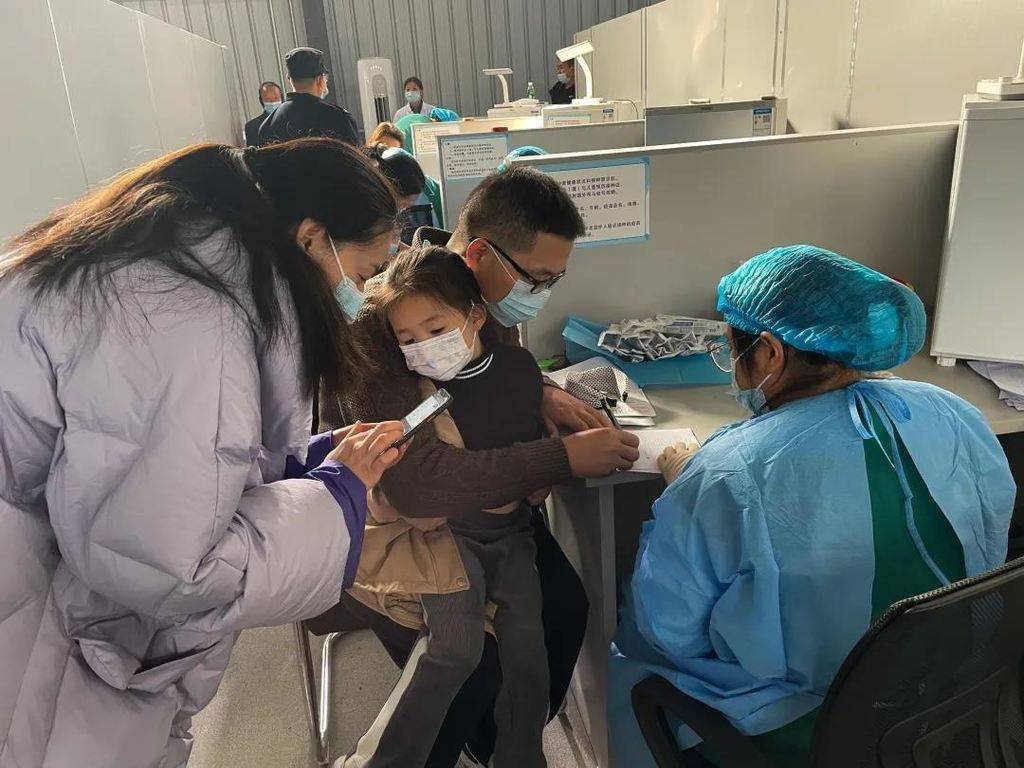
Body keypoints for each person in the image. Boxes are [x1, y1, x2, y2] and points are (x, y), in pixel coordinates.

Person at [0, 137, 408, 768]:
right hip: (35, 643)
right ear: (311, 239)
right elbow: (163, 564)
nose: (358, 295)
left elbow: (143, 468)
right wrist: (334, 496)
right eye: (359, 274)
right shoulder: (190, 320)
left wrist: (296, 465)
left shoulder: (168, 261)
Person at [609, 245, 1017, 768]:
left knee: (633, 665)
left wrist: (692, 488)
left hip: (809, 724)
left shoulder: (726, 474)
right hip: (949, 689)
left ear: (770, 353)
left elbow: (666, 629)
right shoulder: (951, 411)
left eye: (731, 349)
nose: (731, 367)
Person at [312, 166, 640, 768]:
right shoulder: (386, 325)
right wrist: (557, 458)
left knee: (564, 611)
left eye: (555, 279)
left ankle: (507, 747)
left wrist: (540, 392)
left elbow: (490, 383)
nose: (541, 293)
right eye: (536, 278)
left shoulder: (481, 308)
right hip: (402, 528)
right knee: (469, 657)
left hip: (489, 513)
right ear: (482, 255)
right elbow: (418, 487)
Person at [342, 246, 553, 768]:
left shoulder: (518, 369)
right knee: (454, 646)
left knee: (527, 648)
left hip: (510, 532)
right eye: (407, 339)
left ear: (476, 315)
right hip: (445, 536)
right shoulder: (417, 395)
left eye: (435, 330)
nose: (423, 348)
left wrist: (543, 470)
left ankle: (522, 757)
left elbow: (529, 451)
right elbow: (417, 493)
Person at [257, 47, 358, 147]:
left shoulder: (269, 124)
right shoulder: (339, 119)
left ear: (289, 80)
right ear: (320, 79)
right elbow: (356, 155)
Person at [243, 80, 283, 146]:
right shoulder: (251, 127)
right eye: (268, 99)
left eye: (276, 98)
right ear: (261, 101)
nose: (272, 102)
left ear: (282, 98)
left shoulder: (293, 119)